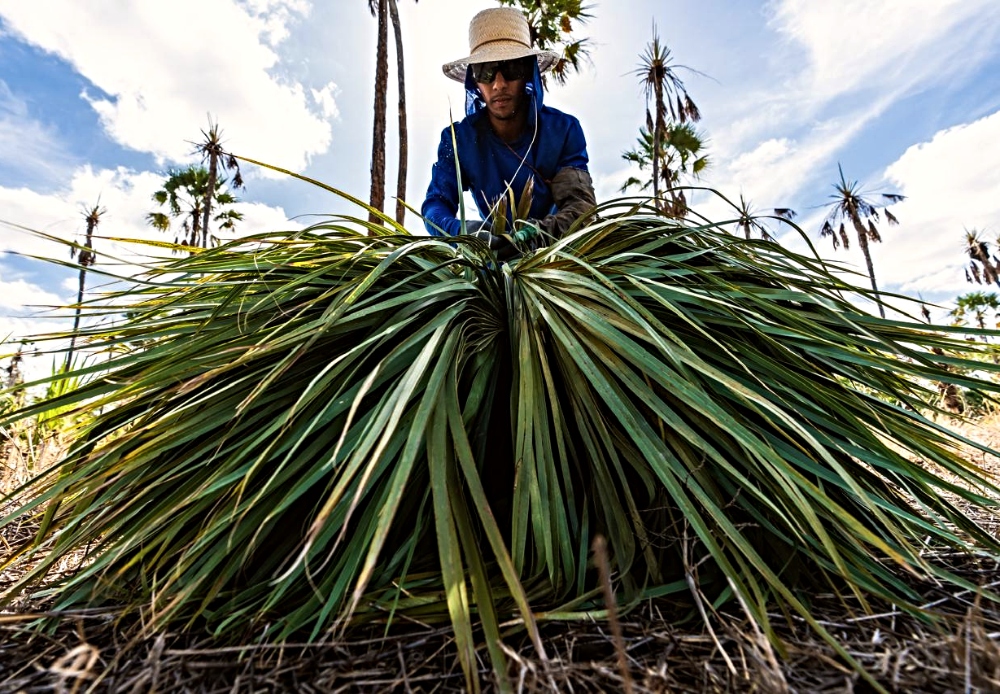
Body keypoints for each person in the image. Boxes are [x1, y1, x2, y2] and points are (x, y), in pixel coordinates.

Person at [421, 7, 596, 258]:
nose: (499, 84)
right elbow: (435, 205)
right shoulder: (458, 140)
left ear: (528, 73)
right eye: (486, 71)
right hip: (490, 260)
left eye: (512, 68)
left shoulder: (563, 130)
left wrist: (533, 236)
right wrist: (462, 233)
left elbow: (580, 208)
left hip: (558, 257)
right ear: (474, 81)